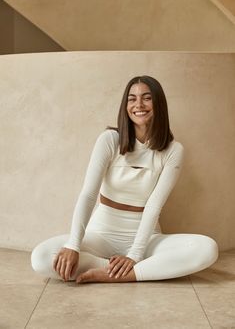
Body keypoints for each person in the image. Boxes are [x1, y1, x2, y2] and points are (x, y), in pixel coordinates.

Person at [31, 75, 218, 283]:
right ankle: (124, 269)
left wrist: (135, 255)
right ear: (125, 105)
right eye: (132, 98)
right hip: (101, 234)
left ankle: (123, 274)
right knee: (40, 258)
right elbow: (88, 194)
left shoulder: (173, 150)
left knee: (207, 249)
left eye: (147, 98)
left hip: (146, 239)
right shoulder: (110, 140)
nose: (139, 104)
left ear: (158, 104)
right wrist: (74, 245)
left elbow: (155, 206)